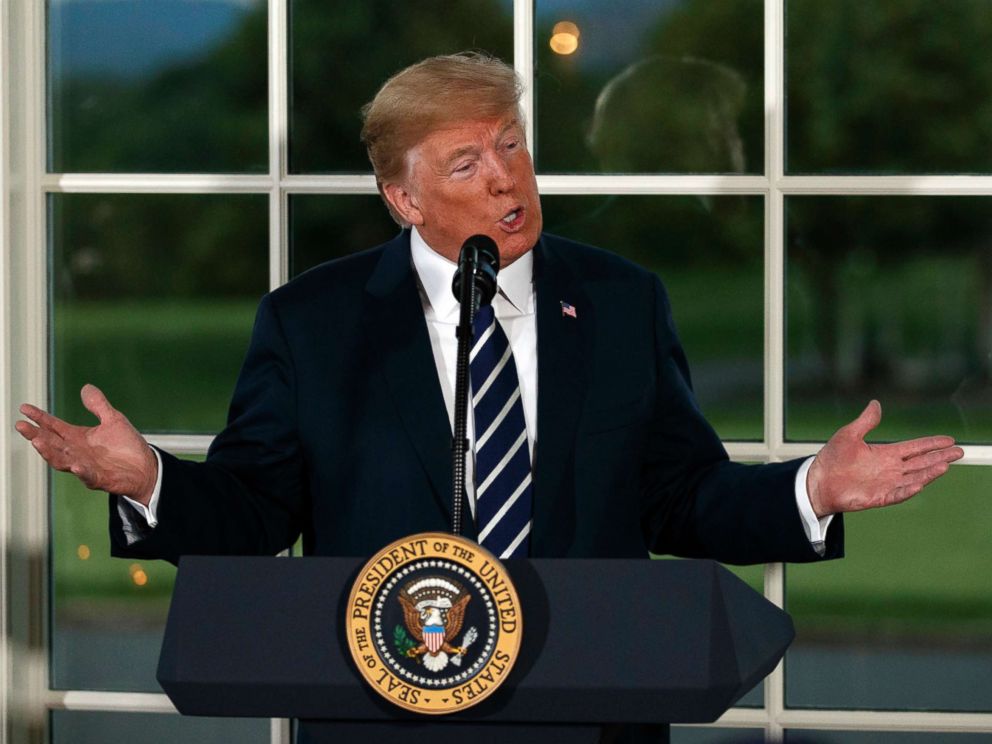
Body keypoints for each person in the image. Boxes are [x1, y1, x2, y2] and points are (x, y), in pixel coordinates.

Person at [15, 53, 963, 742]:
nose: (506, 177)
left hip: (592, 711)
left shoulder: (623, 301)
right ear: (403, 198)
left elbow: (682, 495)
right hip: (379, 717)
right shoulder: (315, 322)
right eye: (465, 164)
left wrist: (813, 490)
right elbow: (255, 510)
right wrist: (149, 483)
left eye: (509, 145)